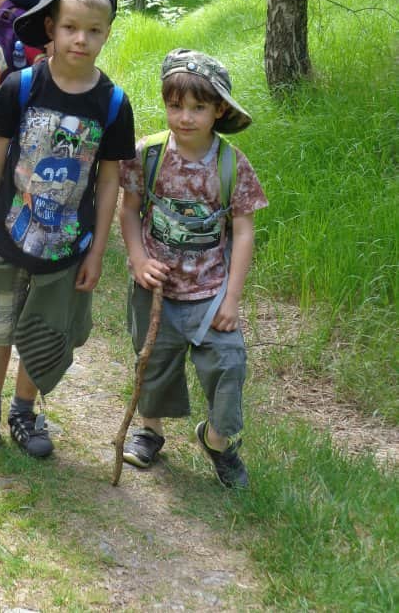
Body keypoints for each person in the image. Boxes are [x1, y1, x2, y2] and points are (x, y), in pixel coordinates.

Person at [0, 0, 135, 460]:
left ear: (107, 33)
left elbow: (109, 181)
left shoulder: (113, 103)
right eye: (71, 27)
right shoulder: (22, 86)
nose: (81, 39)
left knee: (41, 331)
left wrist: (97, 252)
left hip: (66, 248)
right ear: (52, 27)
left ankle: (23, 412)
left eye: (94, 30)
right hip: (6, 235)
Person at [118, 49, 268, 488]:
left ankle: (217, 440)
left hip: (210, 291)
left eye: (198, 107)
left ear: (219, 110)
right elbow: (129, 210)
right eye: (175, 105)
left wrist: (232, 298)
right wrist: (138, 259)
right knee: (153, 363)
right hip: (156, 289)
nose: (185, 117)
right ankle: (150, 431)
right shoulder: (148, 155)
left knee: (228, 362)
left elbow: (243, 231)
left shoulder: (231, 164)